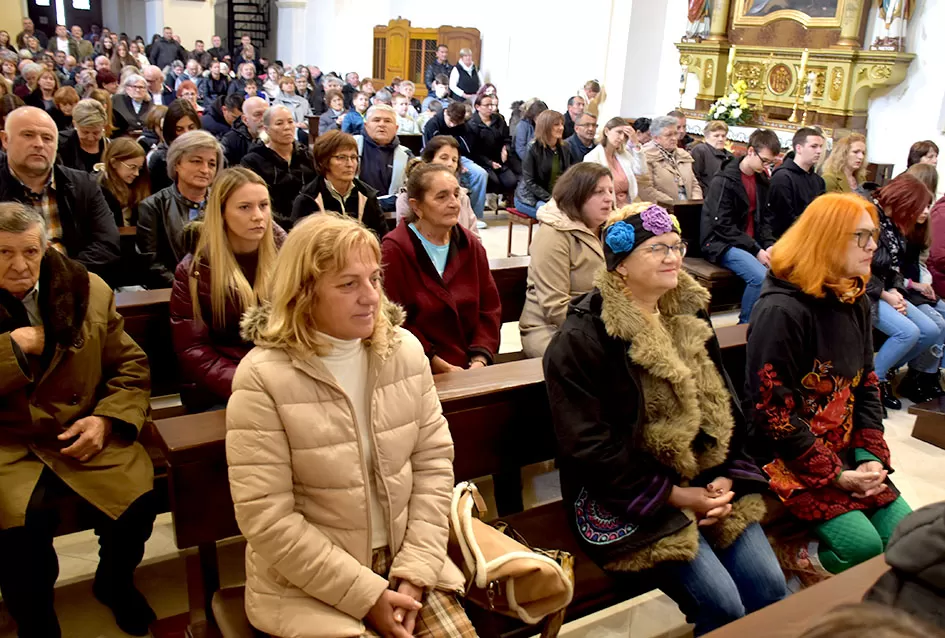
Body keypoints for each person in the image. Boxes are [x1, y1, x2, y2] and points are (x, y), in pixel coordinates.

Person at [227, 210, 477, 638]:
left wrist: (415, 568)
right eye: (348, 284)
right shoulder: (263, 377)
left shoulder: (403, 352)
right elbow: (267, 517)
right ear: (304, 293)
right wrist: (366, 595)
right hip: (308, 581)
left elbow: (433, 465)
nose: (371, 297)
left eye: (374, 279)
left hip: (406, 558)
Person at [544, 202, 787, 636]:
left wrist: (727, 475)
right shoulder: (583, 337)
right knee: (724, 604)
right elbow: (588, 448)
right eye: (657, 249)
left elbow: (723, 403)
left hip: (706, 476)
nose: (674, 257)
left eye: (676, 246)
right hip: (627, 491)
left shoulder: (687, 313)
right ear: (620, 265)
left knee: (770, 588)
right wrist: (676, 496)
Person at [0, 201, 156, 637]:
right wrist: (12, 347)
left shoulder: (88, 290)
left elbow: (130, 368)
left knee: (137, 500)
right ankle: (34, 617)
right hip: (7, 444)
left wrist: (106, 420)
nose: (18, 266)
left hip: (79, 428)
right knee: (20, 529)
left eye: (30, 252)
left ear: (46, 248)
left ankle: (114, 581)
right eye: (3, 253)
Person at [746, 192, 913, 577]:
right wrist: (836, 474)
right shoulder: (781, 311)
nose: (874, 246)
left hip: (844, 445)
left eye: (873, 235)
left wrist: (870, 455)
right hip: (789, 451)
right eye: (862, 236)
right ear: (828, 238)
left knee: (908, 535)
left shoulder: (852, 295)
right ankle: (788, 563)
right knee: (863, 547)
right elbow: (771, 413)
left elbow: (867, 382)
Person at [171, 167, 279, 412]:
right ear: (221, 213)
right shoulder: (195, 270)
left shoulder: (288, 257)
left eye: (263, 205)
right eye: (244, 207)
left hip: (281, 375)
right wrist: (245, 383)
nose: (258, 216)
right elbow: (192, 348)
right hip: (221, 388)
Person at [382, 163, 500, 372]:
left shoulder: (470, 244)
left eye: (456, 194)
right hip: (418, 366)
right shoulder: (395, 250)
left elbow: (489, 309)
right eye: (442, 197)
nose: (454, 203)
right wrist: (438, 365)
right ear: (416, 206)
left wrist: (480, 358)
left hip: (472, 362)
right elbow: (395, 321)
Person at [519, 163, 611, 358]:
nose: (609, 198)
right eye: (599, 192)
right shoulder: (554, 234)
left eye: (610, 190)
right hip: (552, 330)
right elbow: (555, 307)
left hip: (601, 324)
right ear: (576, 195)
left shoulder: (611, 229)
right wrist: (608, 329)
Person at [870, 173, 944, 408]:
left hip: (887, 289)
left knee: (930, 330)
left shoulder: (895, 224)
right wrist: (887, 294)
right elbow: (856, 269)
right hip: (866, 290)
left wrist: (896, 289)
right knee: (908, 332)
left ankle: (887, 370)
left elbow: (895, 266)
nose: (920, 214)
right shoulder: (870, 216)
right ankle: (872, 383)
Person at [700, 129, 781, 324]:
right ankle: (745, 327)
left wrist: (769, 244)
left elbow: (764, 219)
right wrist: (756, 249)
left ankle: (767, 324)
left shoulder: (762, 181)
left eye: (771, 163)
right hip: (721, 243)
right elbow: (721, 223)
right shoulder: (725, 179)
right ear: (751, 151)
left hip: (749, 242)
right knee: (760, 277)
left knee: (785, 270)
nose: (767, 167)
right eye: (765, 161)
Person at [137, 130, 222, 288]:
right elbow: (152, 265)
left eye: (212, 164)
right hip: (172, 292)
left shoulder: (224, 203)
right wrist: (186, 288)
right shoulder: (153, 207)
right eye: (196, 161)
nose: (205, 170)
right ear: (177, 164)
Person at [291, 130, 388, 237]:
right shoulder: (308, 199)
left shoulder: (367, 195)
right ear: (322, 161)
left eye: (353, 157)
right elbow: (298, 243)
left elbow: (382, 238)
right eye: (341, 157)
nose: (350, 164)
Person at [241, 105, 317, 228]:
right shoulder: (253, 161)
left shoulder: (307, 156)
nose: (287, 127)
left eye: (290, 122)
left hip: (309, 224)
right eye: (279, 123)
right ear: (266, 129)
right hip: (271, 225)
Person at [395, 136, 479, 236]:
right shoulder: (407, 196)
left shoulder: (462, 196)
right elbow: (404, 238)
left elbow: (474, 237)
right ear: (429, 160)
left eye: (454, 160)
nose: (449, 164)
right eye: (444, 158)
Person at [761, 127, 826, 242]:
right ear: (799, 148)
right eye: (814, 146)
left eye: (820, 146)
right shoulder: (783, 177)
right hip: (785, 239)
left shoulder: (818, 181)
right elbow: (783, 219)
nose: (819, 151)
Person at [514, 110, 573, 218]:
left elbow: (566, 176)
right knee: (553, 215)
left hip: (554, 196)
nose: (561, 128)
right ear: (545, 127)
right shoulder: (532, 148)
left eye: (562, 124)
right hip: (530, 198)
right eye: (556, 125)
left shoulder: (565, 147)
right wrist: (550, 199)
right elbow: (530, 181)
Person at [354, 104, 411, 213]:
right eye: (376, 120)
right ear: (366, 125)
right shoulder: (351, 145)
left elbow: (409, 192)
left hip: (391, 216)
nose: (382, 124)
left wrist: (377, 204)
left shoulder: (406, 155)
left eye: (387, 121)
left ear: (396, 128)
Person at [638, 115, 703, 206]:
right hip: (663, 208)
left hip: (688, 207)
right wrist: (674, 205)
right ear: (655, 138)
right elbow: (646, 189)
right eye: (668, 135)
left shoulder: (683, 155)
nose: (674, 138)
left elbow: (694, 184)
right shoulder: (645, 156)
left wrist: (695, 203)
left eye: (675, 134)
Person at [583, 117, 645, 208]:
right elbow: (592, 191)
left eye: (625, 135)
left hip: (628, 205)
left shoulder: (624, 155)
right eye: (619, 132)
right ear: (607, 131)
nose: (622, 138)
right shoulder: (592, 157)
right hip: (606, 207)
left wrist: (636, 143)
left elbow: (641, 170)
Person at [468, 92, 517, 195]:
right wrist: (489, 163)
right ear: (477, 107)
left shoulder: (499, 119)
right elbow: (474, 151)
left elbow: (507, 138)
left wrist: (505, 148)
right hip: (482, 162)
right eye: (487, 105)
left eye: (492, 105)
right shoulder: (472, 124)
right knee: (494, 182)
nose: (491, 108)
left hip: (500, 160)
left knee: (511, 181)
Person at [96, 137, 151, 228]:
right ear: (113, 163)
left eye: (139, 168)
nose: (137, 173)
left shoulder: (139, 183)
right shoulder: (98, 189)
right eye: (132, 167)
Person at [148, 98, 201, 193]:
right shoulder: (160, 159)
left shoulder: (209, 153)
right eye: (180, 129)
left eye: (191, 127)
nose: (186, 133)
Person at [57, 98, 109, 173]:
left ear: (103, 126)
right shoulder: (60, 144)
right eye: (85, 132)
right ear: (75, 124)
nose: (90, 138)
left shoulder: (111, 147)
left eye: (96, 133)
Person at [221, 95, 266, 166]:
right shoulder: (230, 140)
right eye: (258, 115)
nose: (263, 119)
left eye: (266, 114)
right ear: (245, 120)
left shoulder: (276, 136)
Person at [691, 120, 733, 195]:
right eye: (716, 136)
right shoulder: (700, 150)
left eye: (723, 136)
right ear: (706, 137)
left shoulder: (730, 156)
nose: (721, 139)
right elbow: (694, 177)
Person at [271, 74, 312, 139]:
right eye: (286, 83)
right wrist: (293, 124)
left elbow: (310, 116)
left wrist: (305, 124)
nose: (289, 85)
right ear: (281, 87)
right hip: (287, 130)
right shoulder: (277, 103)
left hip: (305, 129)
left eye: (291, 83)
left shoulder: (303, 101)